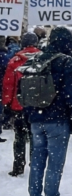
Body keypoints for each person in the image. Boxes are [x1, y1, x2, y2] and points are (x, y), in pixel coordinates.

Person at [21, 27, 72, 196]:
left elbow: (24, 90)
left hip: (36, 118)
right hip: (57, 118)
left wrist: (28, 115)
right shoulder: (66, 62)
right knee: (55, 163)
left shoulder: (36, 59)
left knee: (37, 161)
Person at [2, 32, 41, 177]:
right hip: (37, 105)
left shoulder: (15, 60)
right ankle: (35, 163)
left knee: (19, 136)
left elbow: (8, 85)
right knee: (35, 136)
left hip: (18, 105)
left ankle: (18, 165)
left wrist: (7, 103)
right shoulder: (43, 59)